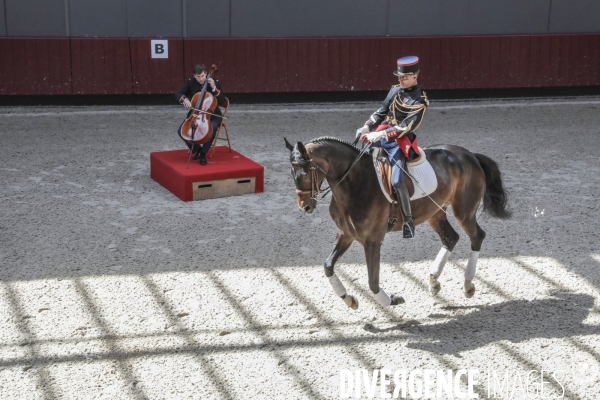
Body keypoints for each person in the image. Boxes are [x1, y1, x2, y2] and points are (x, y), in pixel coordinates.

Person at [356, 56, 429, 239]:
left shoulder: (419, 100)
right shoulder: (395, 90)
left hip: (398, 142)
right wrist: (367, 126)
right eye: (399, 77)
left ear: (415, 77)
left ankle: (408, 220)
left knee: (397, 181)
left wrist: (380, 134)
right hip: (379, 134)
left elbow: (407, 127)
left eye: (404, 77)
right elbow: (381, 112)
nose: (400, 80)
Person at [175, 64, 227, 165]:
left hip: (213, 114)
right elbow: (178, 94)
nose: (201, 79)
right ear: (194, 75)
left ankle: (203, 154)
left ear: (206, 74)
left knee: (211, 128)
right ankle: (197, 149)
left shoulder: (215, 83)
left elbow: (222, 100)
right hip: (195, 114)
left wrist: (213, 88)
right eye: (198, 77)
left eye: (202, 76)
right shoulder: (191, 83)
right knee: (181, 131)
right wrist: (184, 99)